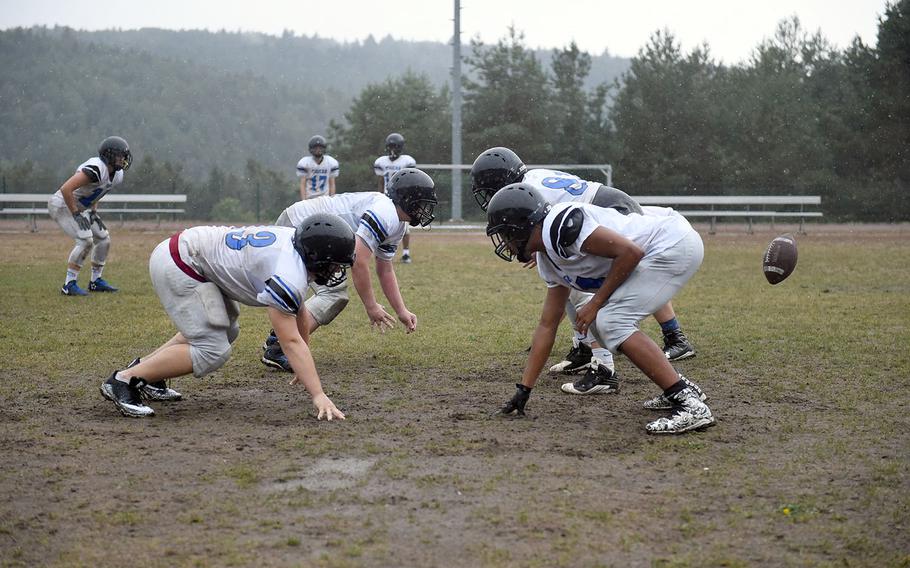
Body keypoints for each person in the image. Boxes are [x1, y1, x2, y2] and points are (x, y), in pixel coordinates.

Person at [486, 184, 715, 434]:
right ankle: (682, 390)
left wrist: (595, 303)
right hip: (662, 248)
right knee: (602, 324)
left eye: (506, 234)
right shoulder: (547, 259)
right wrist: (524, 389)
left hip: (672, 244)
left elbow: (630, 252)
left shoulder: (560, 226)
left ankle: (689, 403)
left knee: (612, 321)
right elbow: (547, 325)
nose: (505, 243)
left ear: (520, 227)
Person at [470, 147, 697, 392]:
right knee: (572, 281)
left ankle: (604, 366)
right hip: (608, 207)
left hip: (609, 215)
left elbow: (566, 226)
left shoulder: (533, 196)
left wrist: (595, 301)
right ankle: (591, 346)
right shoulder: (532, 181)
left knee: (592, 294)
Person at [99, 213, 355, 419]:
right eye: (334, 264)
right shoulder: (289, 272)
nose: (336, 270)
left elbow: (299, 310)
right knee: (212, 349)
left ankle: (147, 375)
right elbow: (289, 341)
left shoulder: (294, 246)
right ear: (316, 257)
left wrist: (303, 361)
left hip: (191, 255)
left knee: (226, 330)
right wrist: (318, 394)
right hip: (182, 263)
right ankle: (124, 381)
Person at [261, 167, 438, 371]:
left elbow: (385, 268)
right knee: (332, 294)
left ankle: (280, 339)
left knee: (326, 293)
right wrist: (371, 306)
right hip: (301, 225)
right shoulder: (385, 212)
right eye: (421, 203)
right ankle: (278, 346)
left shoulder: (397, 223)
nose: (424, 209)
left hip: (310, 227)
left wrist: (401, 310)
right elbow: (359, 261)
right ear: (407, 199)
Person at [48, 136, 131, 296]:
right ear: (109, 155)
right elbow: (66, 189)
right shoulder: (96, 168)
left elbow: (96, 192)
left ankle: (95, 281)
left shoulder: (117, 175)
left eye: (124, 156)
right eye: (119, 155)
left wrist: (93, 211)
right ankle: (69, 284)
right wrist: (76, 213)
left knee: (104, 238)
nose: (123, 159)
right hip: (63, 205)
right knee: (85, 240)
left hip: (80, 206)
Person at [374, 133, 418, 263]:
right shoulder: (381, 162)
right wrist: (380, 196)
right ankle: (381, 253)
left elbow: (410, 180)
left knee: (404, 226)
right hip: (387, 197)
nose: (393, 149)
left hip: (402, 197)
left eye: (395, 146)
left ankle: (406, 253)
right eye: (391, 146)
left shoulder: (407, 161)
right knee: (383, 225)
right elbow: (381, 181)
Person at [296, 135, 339, 200]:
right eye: (315, 148)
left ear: (324, 149)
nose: (318, 150)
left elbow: (332, 184)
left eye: (320, 148)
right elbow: (303, 184)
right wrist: (304, 201)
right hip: (310, 198)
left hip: (325, 199)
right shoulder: (305, 163)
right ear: (311, 149)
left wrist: (331, 200)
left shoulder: (330, 162)